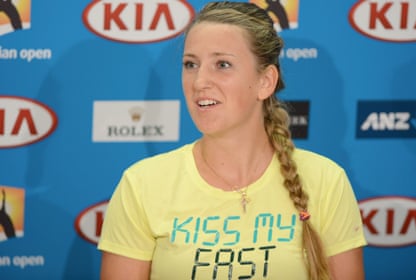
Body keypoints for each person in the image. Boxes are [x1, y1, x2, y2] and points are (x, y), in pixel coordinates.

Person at [98, 2, 367, 280]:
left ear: (265, 81)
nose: (199, 81)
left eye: (222, 64)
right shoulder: (141, 185)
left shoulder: (326, 181)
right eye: (191, 64)